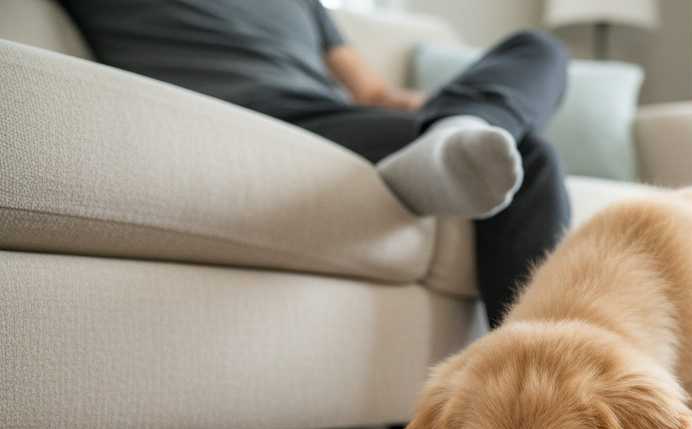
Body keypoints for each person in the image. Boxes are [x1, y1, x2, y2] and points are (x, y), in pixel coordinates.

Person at [57, 0, 571, 329]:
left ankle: (457, 131)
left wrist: (443, 108)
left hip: (335, 120)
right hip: (235, 124)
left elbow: (372, 91)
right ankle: (455, 140)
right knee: (524, 151)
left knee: (538, 52)